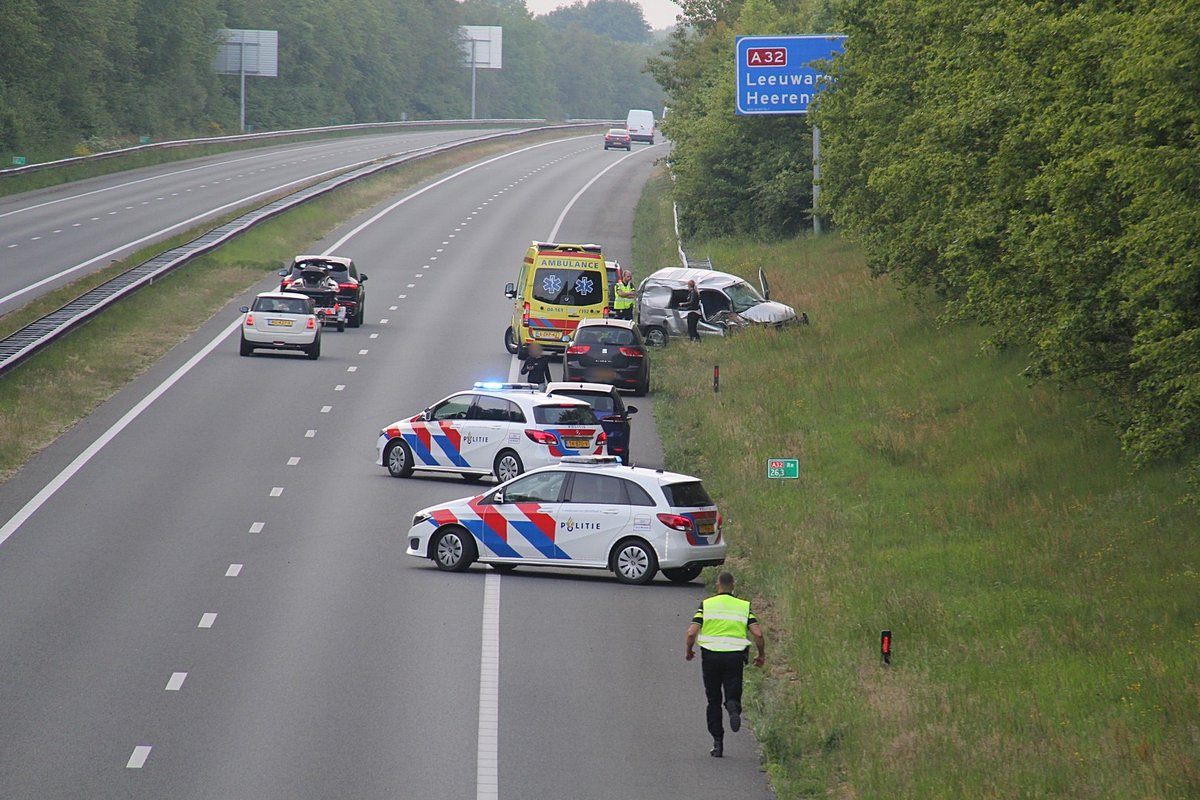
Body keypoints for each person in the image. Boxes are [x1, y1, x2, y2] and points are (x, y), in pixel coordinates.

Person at [685, 570, 766, 758]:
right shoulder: (743, 607)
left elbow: (691, 632)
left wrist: (689, 651)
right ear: (733, 586)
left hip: (711, 657)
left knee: (713, 699)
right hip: (734, 657)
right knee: (732, 692)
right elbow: (758, 634)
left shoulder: (707, 605)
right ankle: (732, 706)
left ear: (717, 585)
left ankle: (718, 743)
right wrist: (761, 655)